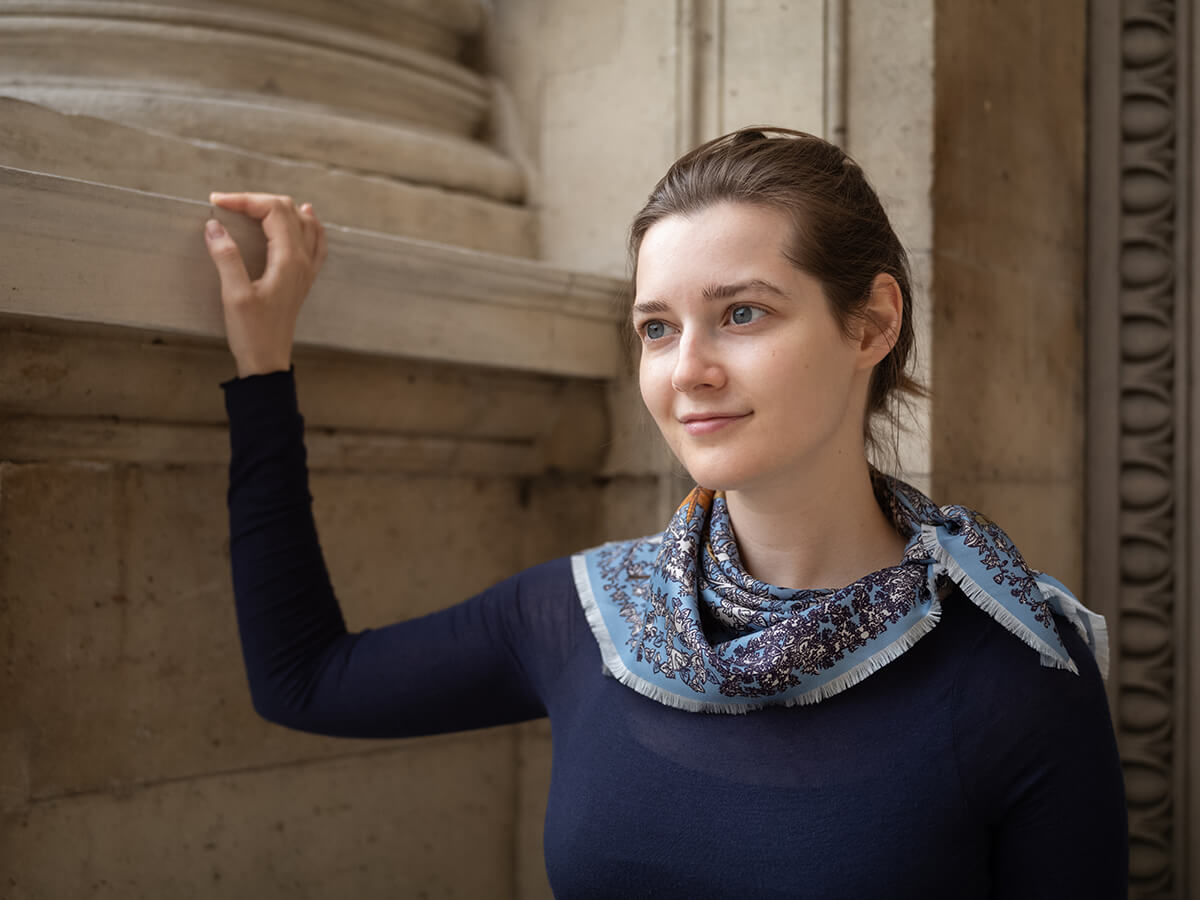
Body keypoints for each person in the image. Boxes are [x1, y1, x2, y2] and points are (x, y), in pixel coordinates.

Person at [204, 127, 1128, 899]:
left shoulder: (1018, 672)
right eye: (657, 327)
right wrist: (262, 374)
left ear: (870, 326)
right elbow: (305, 679)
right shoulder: (585, 617)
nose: (687, 369)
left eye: (743, 314)